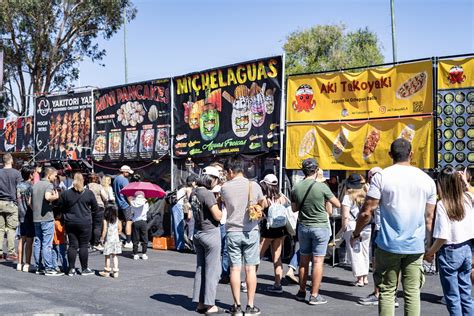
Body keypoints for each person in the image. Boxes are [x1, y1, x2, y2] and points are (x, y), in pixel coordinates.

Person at [351, 138, 437, 316]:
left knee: (387, 292)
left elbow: (367, 211)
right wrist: (430, 247)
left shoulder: (382, 177)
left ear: (390, 155)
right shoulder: (427, 180)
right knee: (413, 293)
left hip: (388, 244)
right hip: (415, 246)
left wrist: (356, 232)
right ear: (411, 154)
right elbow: (430, 218)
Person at [221, 155, 267, 316]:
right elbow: (263, 204)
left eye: (226, 172)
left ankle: (236, 306)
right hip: (251, 232)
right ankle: (250, 306)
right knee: (250, 269)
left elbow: (226, 205)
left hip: (233, 231)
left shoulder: (225, 188)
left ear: (231, 171)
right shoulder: (254, 186)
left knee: (234, 269)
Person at [425, 167, 474, 315]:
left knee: (452, 296)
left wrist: (430, 252)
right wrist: (465, 182)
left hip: (449, 251)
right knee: (466, 294)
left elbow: (442, 236)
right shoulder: (467, 198)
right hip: (466, 248)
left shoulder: (442, 204)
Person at [291, 158, 340, 305]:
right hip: (320, 227)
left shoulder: (296, 187)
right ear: (317, 170)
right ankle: (314, 295)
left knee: (304, 261)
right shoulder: (322, 187)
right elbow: (336, 203)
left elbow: (294, 209)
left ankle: (301, 292)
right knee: (318, 261)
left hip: (304, 226)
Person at [191, 167, 224, 314]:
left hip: (198, 232)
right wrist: (220, 204)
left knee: (200, 269)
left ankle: (200, 304)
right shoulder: (207, 194)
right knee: (212, 271)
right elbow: (218, 216)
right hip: (210, 233)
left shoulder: (194, 192)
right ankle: (210, 305)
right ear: (212, 179)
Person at [58, 173, 99, 276]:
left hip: (70, 222)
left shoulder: (66, 194)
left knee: (72, 245)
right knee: (83, 245)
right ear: (83, 181)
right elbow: (96, 208)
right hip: (85, 222)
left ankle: (71, 269)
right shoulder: (89, 193)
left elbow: (59, 207)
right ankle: (84, 268)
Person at [338, 173, 371, 286]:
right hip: (366, 226)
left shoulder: (347, 197)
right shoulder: (366, 195)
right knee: (365, 251)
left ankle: (359, 278)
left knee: (355, 252)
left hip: (352, 225)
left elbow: (345, 216)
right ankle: (365, 277)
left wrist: (343, 229)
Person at [259, 173, 289, 294]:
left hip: (267, 230)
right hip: (280, 230)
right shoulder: (282, 197)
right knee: (277, 258)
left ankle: (248, 281)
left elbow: (260, 214)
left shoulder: (265, 199)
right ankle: (278, 284)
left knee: (257, 256)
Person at [32, 166, 61, 276]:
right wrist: (55, 196)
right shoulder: (48, 185)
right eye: (54, 175)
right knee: (47, 244)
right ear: (49, 175)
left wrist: (36, 210)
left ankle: (39, 267)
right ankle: (49, 268)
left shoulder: (35, 185)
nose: (55, 177)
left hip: (36, 218)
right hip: (46, 218)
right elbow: (48, 197)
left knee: (38, 242)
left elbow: (30, 202)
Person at [0, 154, 22, 261]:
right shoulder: (17, 173)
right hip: (11, 203)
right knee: (11, 229)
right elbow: (20, 190)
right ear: (11, 160)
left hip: (0, 203)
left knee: (0, 229)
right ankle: (11, 252)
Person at [171, 174, 197, 252]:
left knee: (177, 226)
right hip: (178, 206)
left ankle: (179, 245)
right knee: (179, 226)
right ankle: (180, 246)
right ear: (193, 182)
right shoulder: (188, 189)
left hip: (175, 206)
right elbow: (190, 200)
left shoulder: (183, 187)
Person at [16, 165, 35, 272]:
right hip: (29, 214)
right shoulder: (31, 186)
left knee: (21, 239)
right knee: (29, 240)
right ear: (30, 175)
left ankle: (19, 263)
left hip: (20, 213)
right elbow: (30, 202)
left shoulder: (18, 185)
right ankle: (27, 264)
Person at [113, 165, 133, 248]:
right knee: (129, 221)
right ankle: (128, 241)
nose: (128, 174)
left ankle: (118, 240)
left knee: (119, 221)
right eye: (128, 172)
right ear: (124, 172)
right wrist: (131, 203)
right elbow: (127, 194)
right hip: (125, 204)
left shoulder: (115, 179)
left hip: (117, 204)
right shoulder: (124, 180)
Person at [99, 204, 122, 278]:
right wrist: (116, 234)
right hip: (116, 240)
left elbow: (104, 230)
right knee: (115, 256)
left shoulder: (106, 220)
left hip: (108, 241)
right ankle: (115, 272)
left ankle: (107, 271)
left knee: (107, 256)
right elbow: (120, 230)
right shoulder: (117, 219)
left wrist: (102, 238)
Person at [88, 173, 108, 251]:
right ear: (96, 179)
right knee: (98, 226)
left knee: (91, 225)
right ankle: (96, 243)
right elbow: (105, 197)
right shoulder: (99, 187)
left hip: (89, 208)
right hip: (99, 207)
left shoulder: (87, 186)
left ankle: (90, 242)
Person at [130, 191, 149, 260]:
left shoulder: (133, 202)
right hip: (143, 221)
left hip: (135, 222)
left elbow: (132, 212)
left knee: (135, 238)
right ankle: (144, 254)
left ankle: (135, 254)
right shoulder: (146, 202)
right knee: (144, 238)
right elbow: (147, 211)